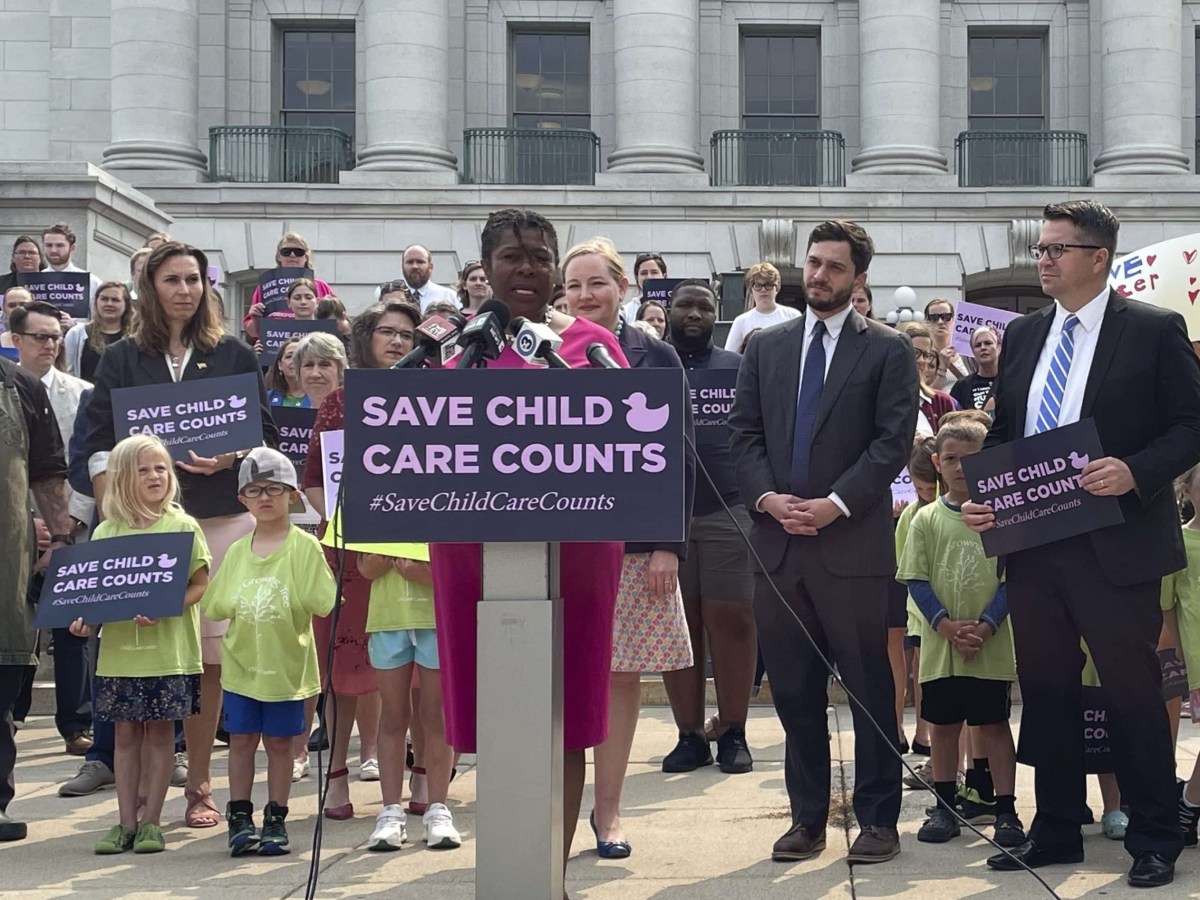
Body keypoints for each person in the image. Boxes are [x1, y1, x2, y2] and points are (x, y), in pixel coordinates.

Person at [964, 200, 1200, 887]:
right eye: (1041, 248)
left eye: (1056, 249)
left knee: (1132, 693)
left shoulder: (1154, 331)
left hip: (1118, 541)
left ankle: (1157, 834)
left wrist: (1136, 472)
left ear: (1098, 257)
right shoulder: (1028, 335)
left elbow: (1190, 425)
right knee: (1045, 693)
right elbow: (1006, 431)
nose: (1042, 259)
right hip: (1035, 544)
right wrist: (990, 495)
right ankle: (1058, 827)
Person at [429, 208, 626, 893]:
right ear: (485, 266)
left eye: (541, 258)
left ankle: (551, 873)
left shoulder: (594, 346)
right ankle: (508, 868)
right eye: (513, 256)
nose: (528, 270)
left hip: (577, 552)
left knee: (565, 716)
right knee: (499, 711)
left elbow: (630, 448)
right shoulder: (452, 347)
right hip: (473, 552)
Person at [728, 219, 919, 865]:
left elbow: (891, 442)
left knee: (870, 693)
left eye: (834, 267)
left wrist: (835, 505)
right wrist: (766, 498)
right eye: (812, 264)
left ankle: (878, 822)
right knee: (794, 694)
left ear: (859, 278)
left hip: (853, 551)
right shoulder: (766, 347)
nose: (818, 276)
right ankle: (806, 819)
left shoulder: (889, 350)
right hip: (778, 552)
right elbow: (742, 436)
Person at [85, 241, 278, 830]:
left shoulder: (234, 354)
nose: (185, 290)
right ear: (151, 287)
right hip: (143, 533)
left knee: (208, 664)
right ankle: (138, 807)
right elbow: (93, 442)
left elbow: (266, 436)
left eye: (194, 279)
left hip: (219, 520)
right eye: (173, 279)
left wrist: (235, 452)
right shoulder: (120, 359)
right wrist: (114, 509)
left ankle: (199, 787)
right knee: (144, 662)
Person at [562, 237, 697, 857]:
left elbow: (675, 454)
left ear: (624, 288)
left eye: (597, 283)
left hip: (637, 542)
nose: (584, 296)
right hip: (561, 536)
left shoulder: (656, 354)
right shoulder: (539, 351)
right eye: (574, 285)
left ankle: (608, 810)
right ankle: (553, 810)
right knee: (560, 676)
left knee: (619, 677)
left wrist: (669, 543)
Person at [300, 303, 420, 815]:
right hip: (350, 551)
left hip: (413, 553)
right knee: (342, 672)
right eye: (386, 332)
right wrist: (352, 525)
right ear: (366, 339)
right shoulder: (342, 402)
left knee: (417, 671)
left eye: (407, 335)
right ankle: (337, 779)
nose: (395, 341)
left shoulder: (431, 398)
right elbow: (313, 482)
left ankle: (421, 779)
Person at [68, 433, 212, 855]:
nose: (154, 476)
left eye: (161, 468)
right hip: (118, 656)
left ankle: (151, 822)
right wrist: (84, 622)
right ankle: (124, 822)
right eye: (143, 469)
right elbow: (94, 596)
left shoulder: (183, 525)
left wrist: (168, 606)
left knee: (161, 736)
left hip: (169, 653)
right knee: (124, 738)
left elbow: (200, 583)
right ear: (122, 480)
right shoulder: (107, 532)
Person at [201, 448, 336, 856]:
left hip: (286, 669)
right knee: (241, 740)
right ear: (242, 499)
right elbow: (216, 604)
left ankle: (276, 814)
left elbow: (324, 601)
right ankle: (240, 815)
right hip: (243, 666)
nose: (265, 498)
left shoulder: (304, 548)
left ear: (293, 495)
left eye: (274, 489)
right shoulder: (239, 550)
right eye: (254, 490)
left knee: (280, 744)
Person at [897, 411, 1023, 848]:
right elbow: (915, 577)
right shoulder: (925, 519)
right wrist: (945, 626)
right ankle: (945, 806)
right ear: (937, 463)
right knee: (945, 728)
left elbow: (1012, 579)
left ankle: (1006, 810)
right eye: (951, 458)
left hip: (989, 647)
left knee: (993, 726)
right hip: (941, 647)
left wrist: (987, 625)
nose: (960, 467)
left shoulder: (1003, 516)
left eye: (971, 458)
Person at [660, 280, 759, 774]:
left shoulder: (737, 368)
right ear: (668, 310)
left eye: (705, 306)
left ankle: (735, 731)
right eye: (685, 304)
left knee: (733, 620)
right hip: (663, 516)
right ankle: (689, 734)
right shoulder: (652, 365)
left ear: (718, 314)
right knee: (680, 628)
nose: (694, 312)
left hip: (730, 509)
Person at [10, 300, 95, 754]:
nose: (49, 344)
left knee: (70, 630)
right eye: (39, 337)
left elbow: (85, 463)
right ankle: (14, 713)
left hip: (70, 528)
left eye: (55, 337)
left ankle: (76, 724)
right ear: (16, 340)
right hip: (14, 529)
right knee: (16, 627)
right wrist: (26, 524)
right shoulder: (7, 388)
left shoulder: (82, 391)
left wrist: (66, 523)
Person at [0, 346, 71, 843]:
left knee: (3, 682)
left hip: (6, 562)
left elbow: (48, 471)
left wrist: (63, 541)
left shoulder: (19, 385)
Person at [358, 542, 460, 851]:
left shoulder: (444, 505)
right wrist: (384, 556)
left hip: (435, 619)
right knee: (393, 715)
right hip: (389, 621)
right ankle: (391, 810)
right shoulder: (385, 507)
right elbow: (365, 568)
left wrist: (423, 573)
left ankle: (438, 807)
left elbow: (456, 570)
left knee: (436, 714)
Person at [898, 436, 938, 789]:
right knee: (926, 683)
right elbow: (906, 570)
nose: (925, 493)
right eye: (919, 487)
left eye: (930, 487)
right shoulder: (911, 516)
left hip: (962, 617)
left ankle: (959, 768)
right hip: (922, 617)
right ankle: (938, 762)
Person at [1164, 464, 1200, 845]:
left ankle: (1188, 804)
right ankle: (1187, 806)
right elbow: (1167, 607)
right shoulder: (1178, 542)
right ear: (1187, 492)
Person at [243, 233, 333, 341]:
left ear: (306, 257)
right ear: (279, 257)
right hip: (275, 352)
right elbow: (253, 332)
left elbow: (337, 324)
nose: (292, 255)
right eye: (286, 252)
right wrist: (256, 318)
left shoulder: (321, 286)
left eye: (298, 252)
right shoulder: (265, 287)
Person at [724, 262, 801, 352]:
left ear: (777, 288)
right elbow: (730, 355)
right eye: (758, 285)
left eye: (768, 285)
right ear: (751, 290)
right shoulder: (741, 321)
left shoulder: (793, 316)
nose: (763, 290)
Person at [897, 322, 958, 435]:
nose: (922, 361)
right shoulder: (877, 398)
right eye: (915, 353)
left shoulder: (942, 401)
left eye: (926, 355)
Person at [64, 281, 132, 382]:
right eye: (104, 299)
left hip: (124, 396)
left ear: (126, 305)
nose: (109, 304)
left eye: (115, 300)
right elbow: (67, 372)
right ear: (96, 302)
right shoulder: (77, 334)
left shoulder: (136, 336)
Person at [41, 223, 103, 307]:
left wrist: (74, 321)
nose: (53, 250)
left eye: (59, 245)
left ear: (72, 248)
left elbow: (98, 319)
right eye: (49, 245)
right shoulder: (34, 282)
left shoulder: (92, 282)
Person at [924, 298, 972, 390]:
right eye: (934, 318)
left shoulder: (967, 353)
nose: (940, 322)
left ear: (953, 320)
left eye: (946, 317)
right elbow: (924, 393)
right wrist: (942, 367)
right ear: (927, 322)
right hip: (939, 403)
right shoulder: (924, 355)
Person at [949, 326, 999, 412]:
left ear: (999, 347)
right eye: (977, 345)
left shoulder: (1010, 382)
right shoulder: (962, 386)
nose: (983, 348)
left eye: (988, 343)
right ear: (972, 351)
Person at [401, 245, 458, 312]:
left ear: (430, 267)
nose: (415, 266)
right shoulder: (392, 298)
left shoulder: (450, 297)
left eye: (420, 262)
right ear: (402, 267)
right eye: (410, 262)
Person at [621, 252, 667, 325]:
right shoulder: (625, 312)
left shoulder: (675, 306)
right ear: (637, 277)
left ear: (663, 276)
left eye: (654, 272)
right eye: (644, 273)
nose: (649, 277)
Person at [265, 337, 308, 408]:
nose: (294, 360)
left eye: (299, 356)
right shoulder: (267, 398)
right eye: (289, 356)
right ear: (280, 365)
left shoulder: (322, 399)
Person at [0, 235, 44, 299]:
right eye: (22, 252)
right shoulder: (1, 283)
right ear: (13, 257)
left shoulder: (51, 283)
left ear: (40, 258)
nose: (27, 256)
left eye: (32, 253)